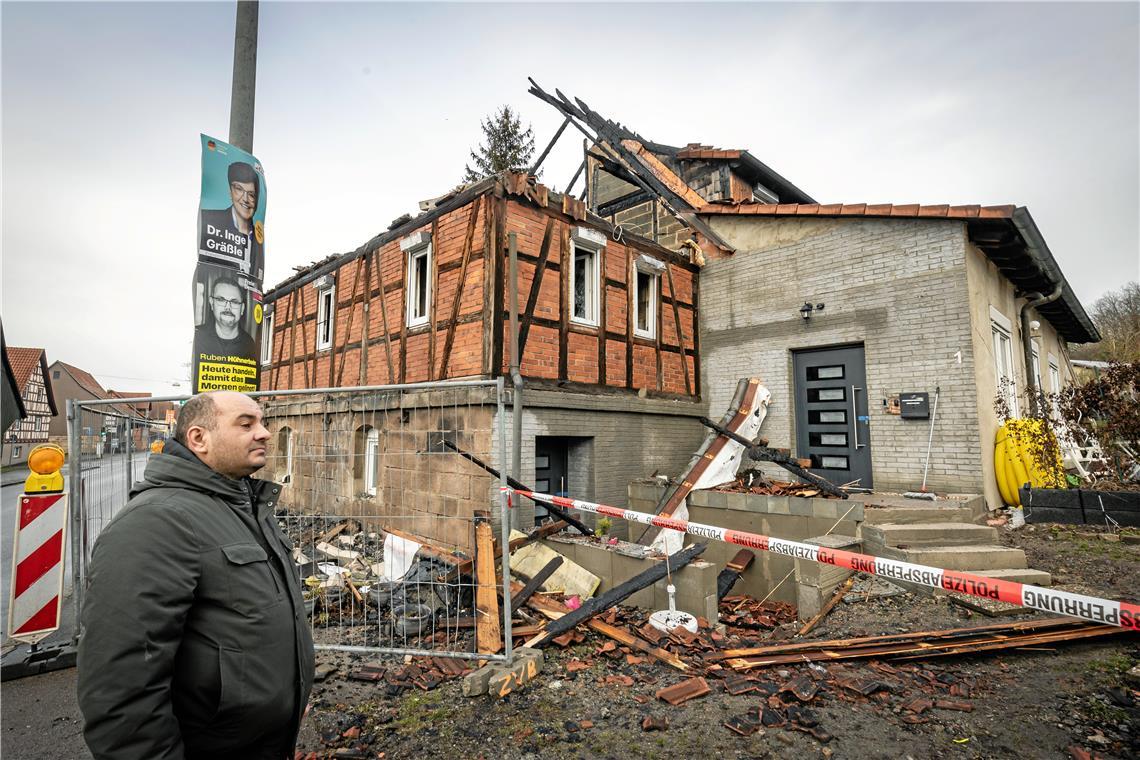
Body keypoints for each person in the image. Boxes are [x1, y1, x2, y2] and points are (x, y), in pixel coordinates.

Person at [78, 391, 314, 760]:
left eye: (262, 422)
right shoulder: (158, 521)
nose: (265, 433)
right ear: (198, 438)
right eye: (246, 423)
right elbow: (121, 691)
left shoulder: (243, 508)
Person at [199, 161, 264, 281]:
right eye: (239, 189)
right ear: (230, 191)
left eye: (251, 194)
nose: (245, 199)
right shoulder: (210, 219)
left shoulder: (259, 240)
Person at [195, 275, 254, 359]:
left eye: (234, 302)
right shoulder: (197, 337)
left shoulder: (250, 345)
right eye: (221, 300)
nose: (228, 307)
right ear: (212, 303)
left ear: (242, 309)